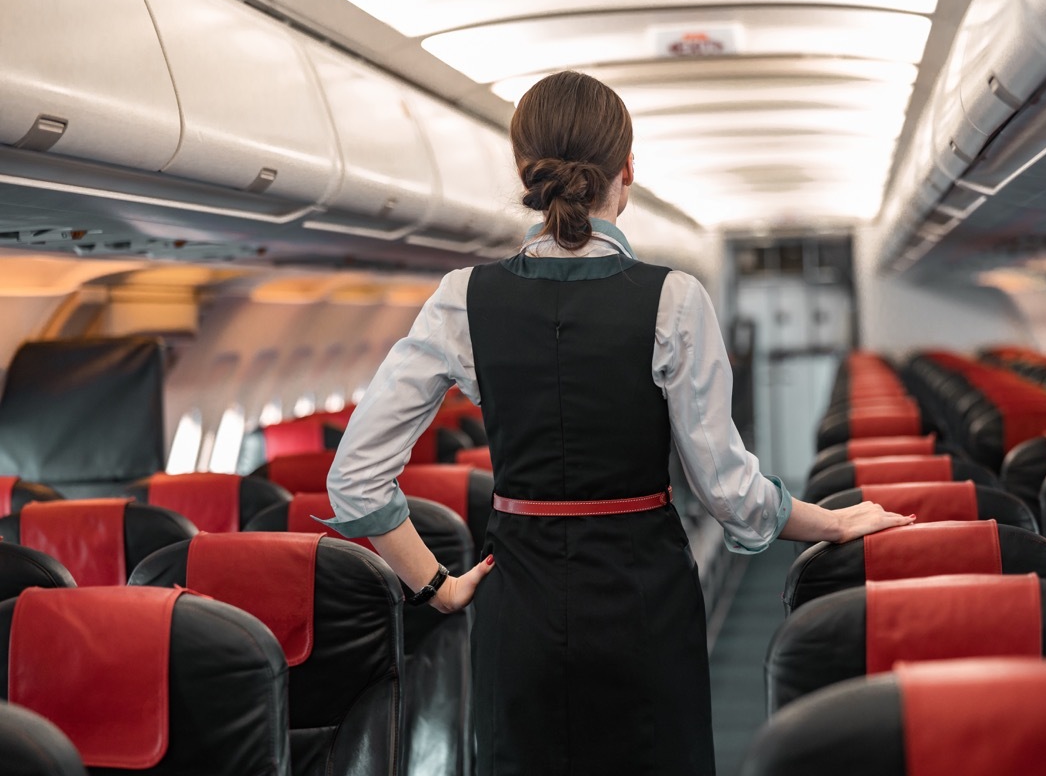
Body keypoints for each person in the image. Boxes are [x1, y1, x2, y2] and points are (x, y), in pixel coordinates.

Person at [323, 70, 913, 776]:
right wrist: (837, 521)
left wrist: (438, 588)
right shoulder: (675, 300)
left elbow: (354, 481)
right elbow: (728, 492)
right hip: (646, 607)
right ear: (626, 170)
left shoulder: (461, 299)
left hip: (521, 610)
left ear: (524, 171)